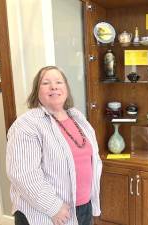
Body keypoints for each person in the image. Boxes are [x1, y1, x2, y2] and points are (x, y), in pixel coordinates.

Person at [6, 66, 102, 225]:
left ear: (66, 88)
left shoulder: (77, 118)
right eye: (46, 83)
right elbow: (23, 174)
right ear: (37, 91)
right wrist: (53, 207)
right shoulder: (27, 125)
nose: (54, 86)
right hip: (47, 213)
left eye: (59, 82)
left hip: (83, 208)